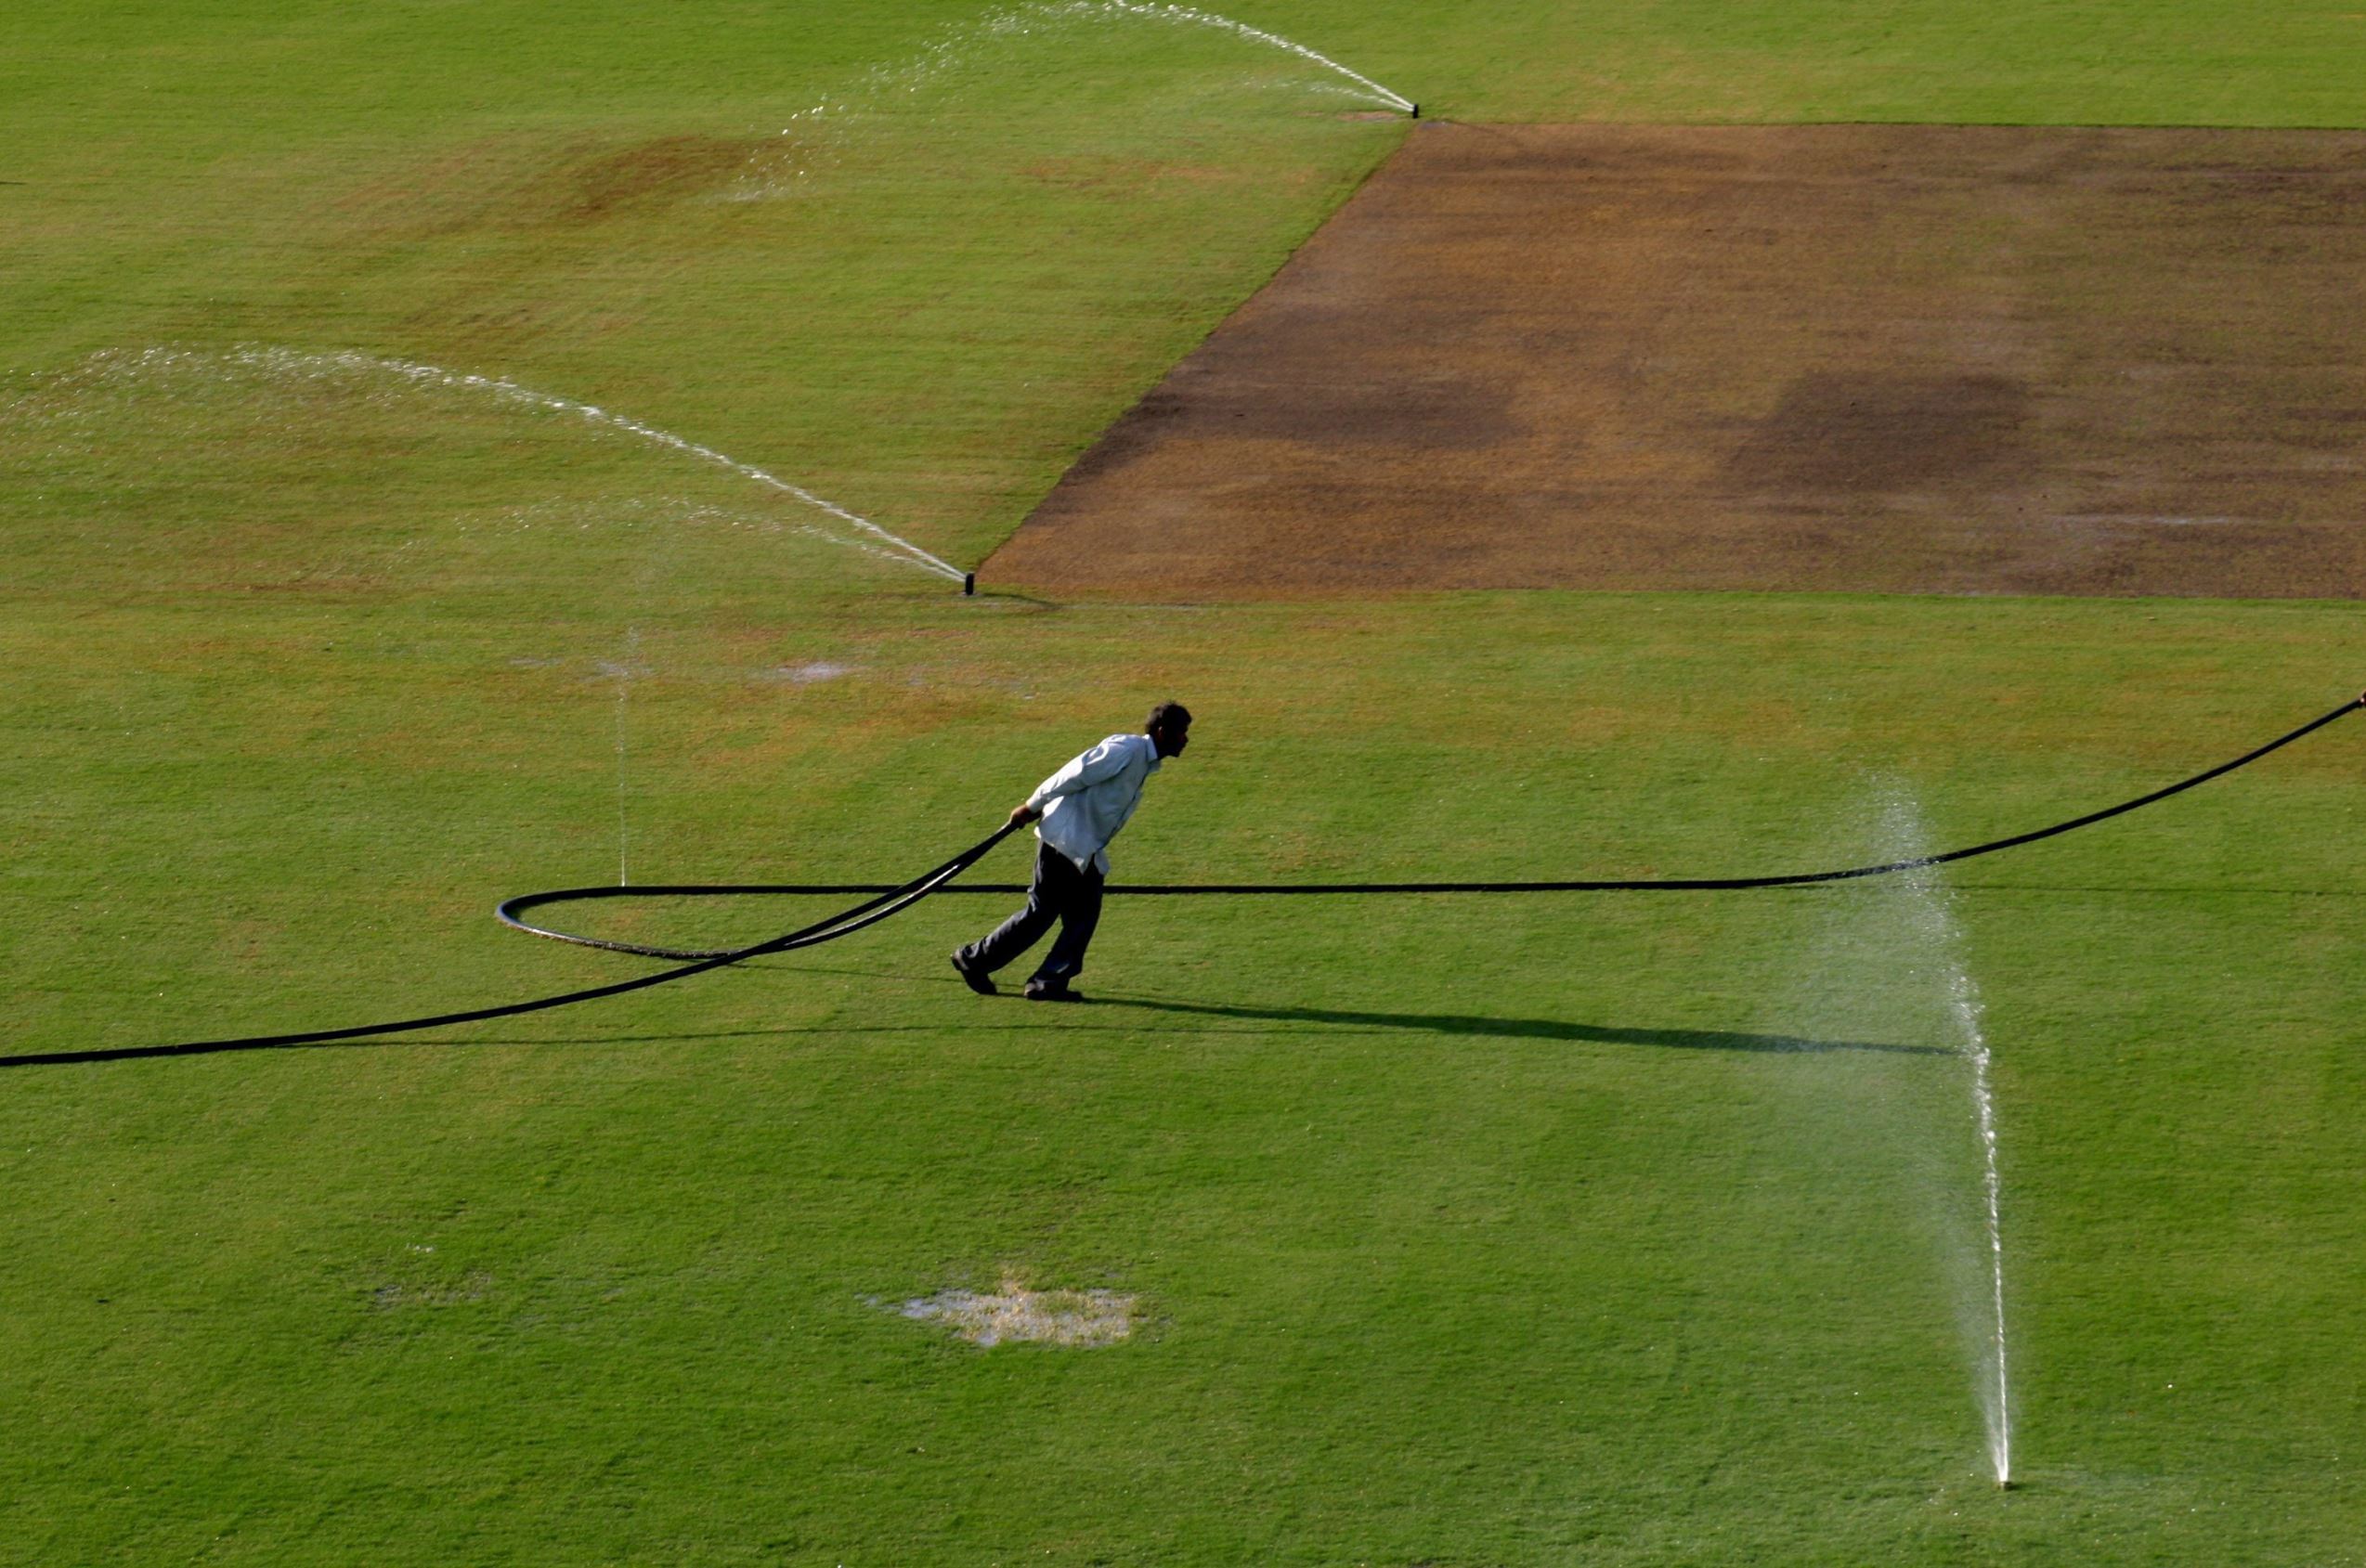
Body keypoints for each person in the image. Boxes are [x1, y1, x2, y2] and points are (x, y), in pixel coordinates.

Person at [951, 702, 1192, 1002]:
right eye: (1182, 732)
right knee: (1042, 913)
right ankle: (977, 960)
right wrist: (1032, 806)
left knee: (1083, 913)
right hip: (1064, 841)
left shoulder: (1142, 762)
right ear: (1161, 732)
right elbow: (1072, 774)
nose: (1186, 739)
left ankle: (1046, 980)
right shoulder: (1126, 751)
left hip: (1083, 847)